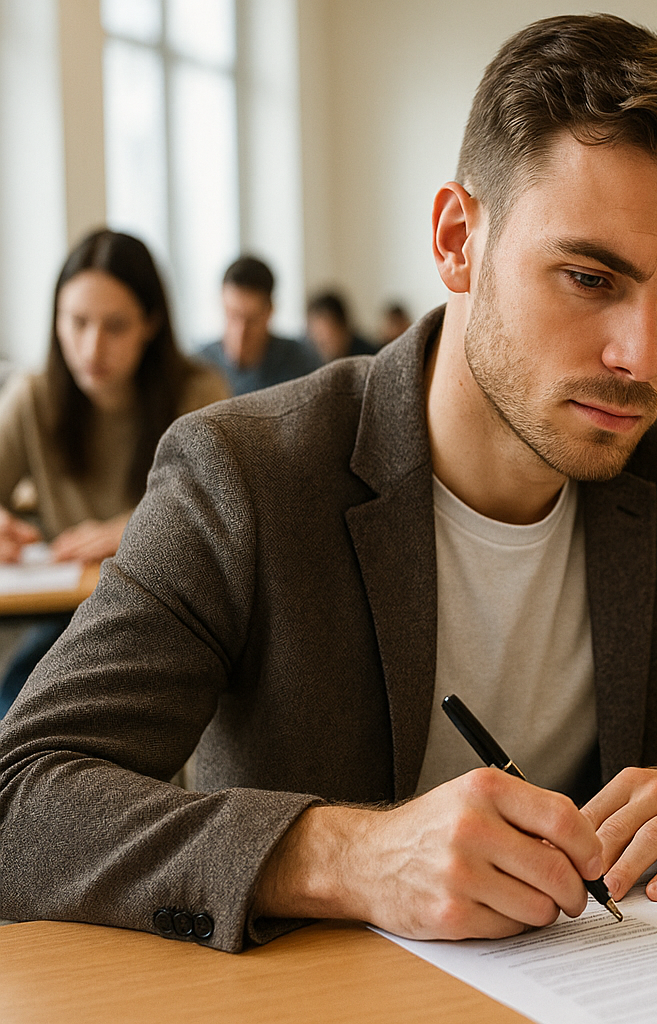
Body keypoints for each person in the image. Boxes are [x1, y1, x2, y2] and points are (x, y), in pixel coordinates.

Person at [0, 14, 657, 952]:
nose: (643, 358)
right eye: (588, 277)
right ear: (457, 240)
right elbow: (21, 800)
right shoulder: (244, 473)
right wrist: (346, 855)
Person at [0, 229, 228, 718]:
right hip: (69, 618)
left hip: (168, 616)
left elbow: (221, 515)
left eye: (116, 326)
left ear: (151, 323)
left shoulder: (199, 394)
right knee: (16, 712)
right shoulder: (33, 395)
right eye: (77, 322)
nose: (91, 347)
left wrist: (133, 532)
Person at [197, 256, 322, 394]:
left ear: (270, 311)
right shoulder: (201, 367)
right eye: (232, 315)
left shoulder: (301, 362)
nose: (241, 331)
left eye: (251, 320)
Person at [306, 290, 378, 361]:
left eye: (327, 337)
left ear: (343, 328)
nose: (322, 345)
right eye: (316, 336)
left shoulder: (370, 358)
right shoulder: (310, 359)